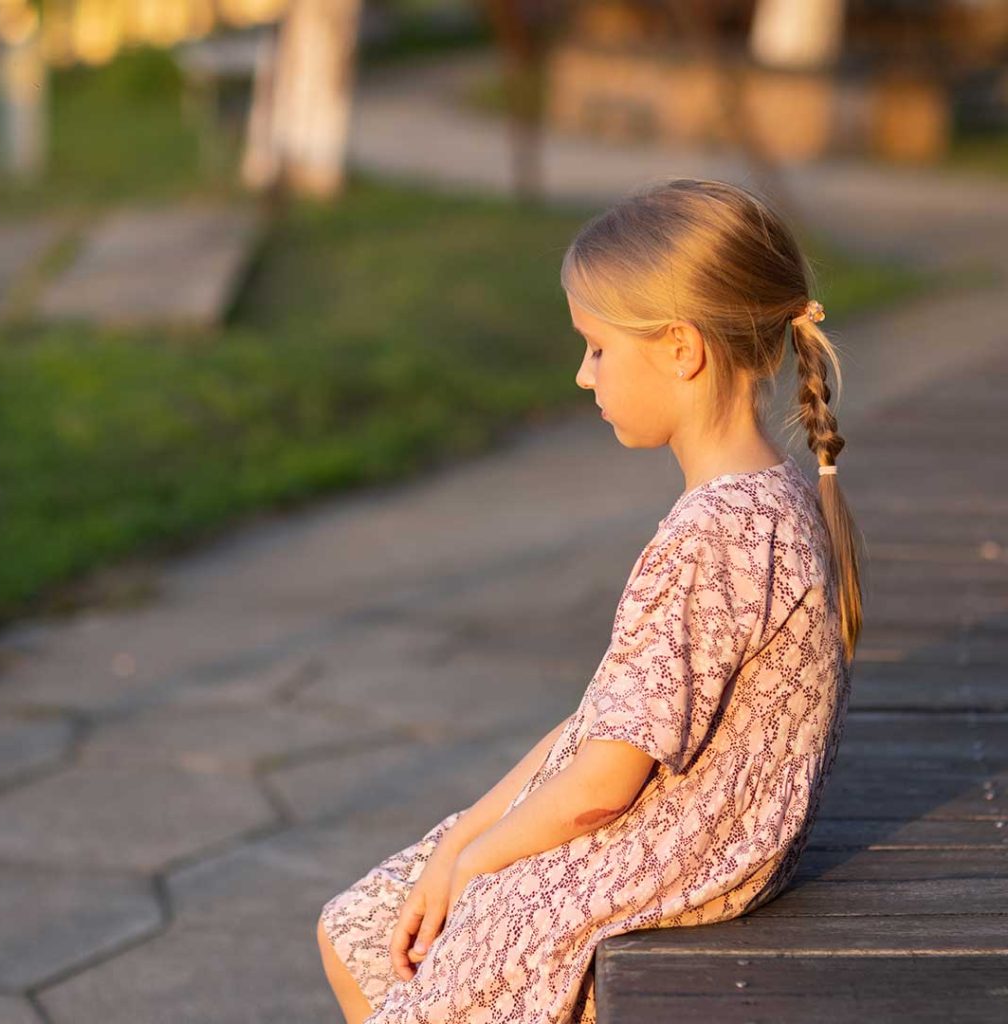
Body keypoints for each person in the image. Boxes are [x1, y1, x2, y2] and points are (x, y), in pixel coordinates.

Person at [316, 177, 862, 1024]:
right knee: (358, 925)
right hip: (663, 827)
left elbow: (602, 786)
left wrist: (482, 863)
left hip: (670, 853)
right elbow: (597, 727)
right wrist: (465, 836)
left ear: (681, 349)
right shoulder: (753, 498)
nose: (582, 374)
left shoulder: (715, 535)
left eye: (598, 348)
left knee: (433, 958)